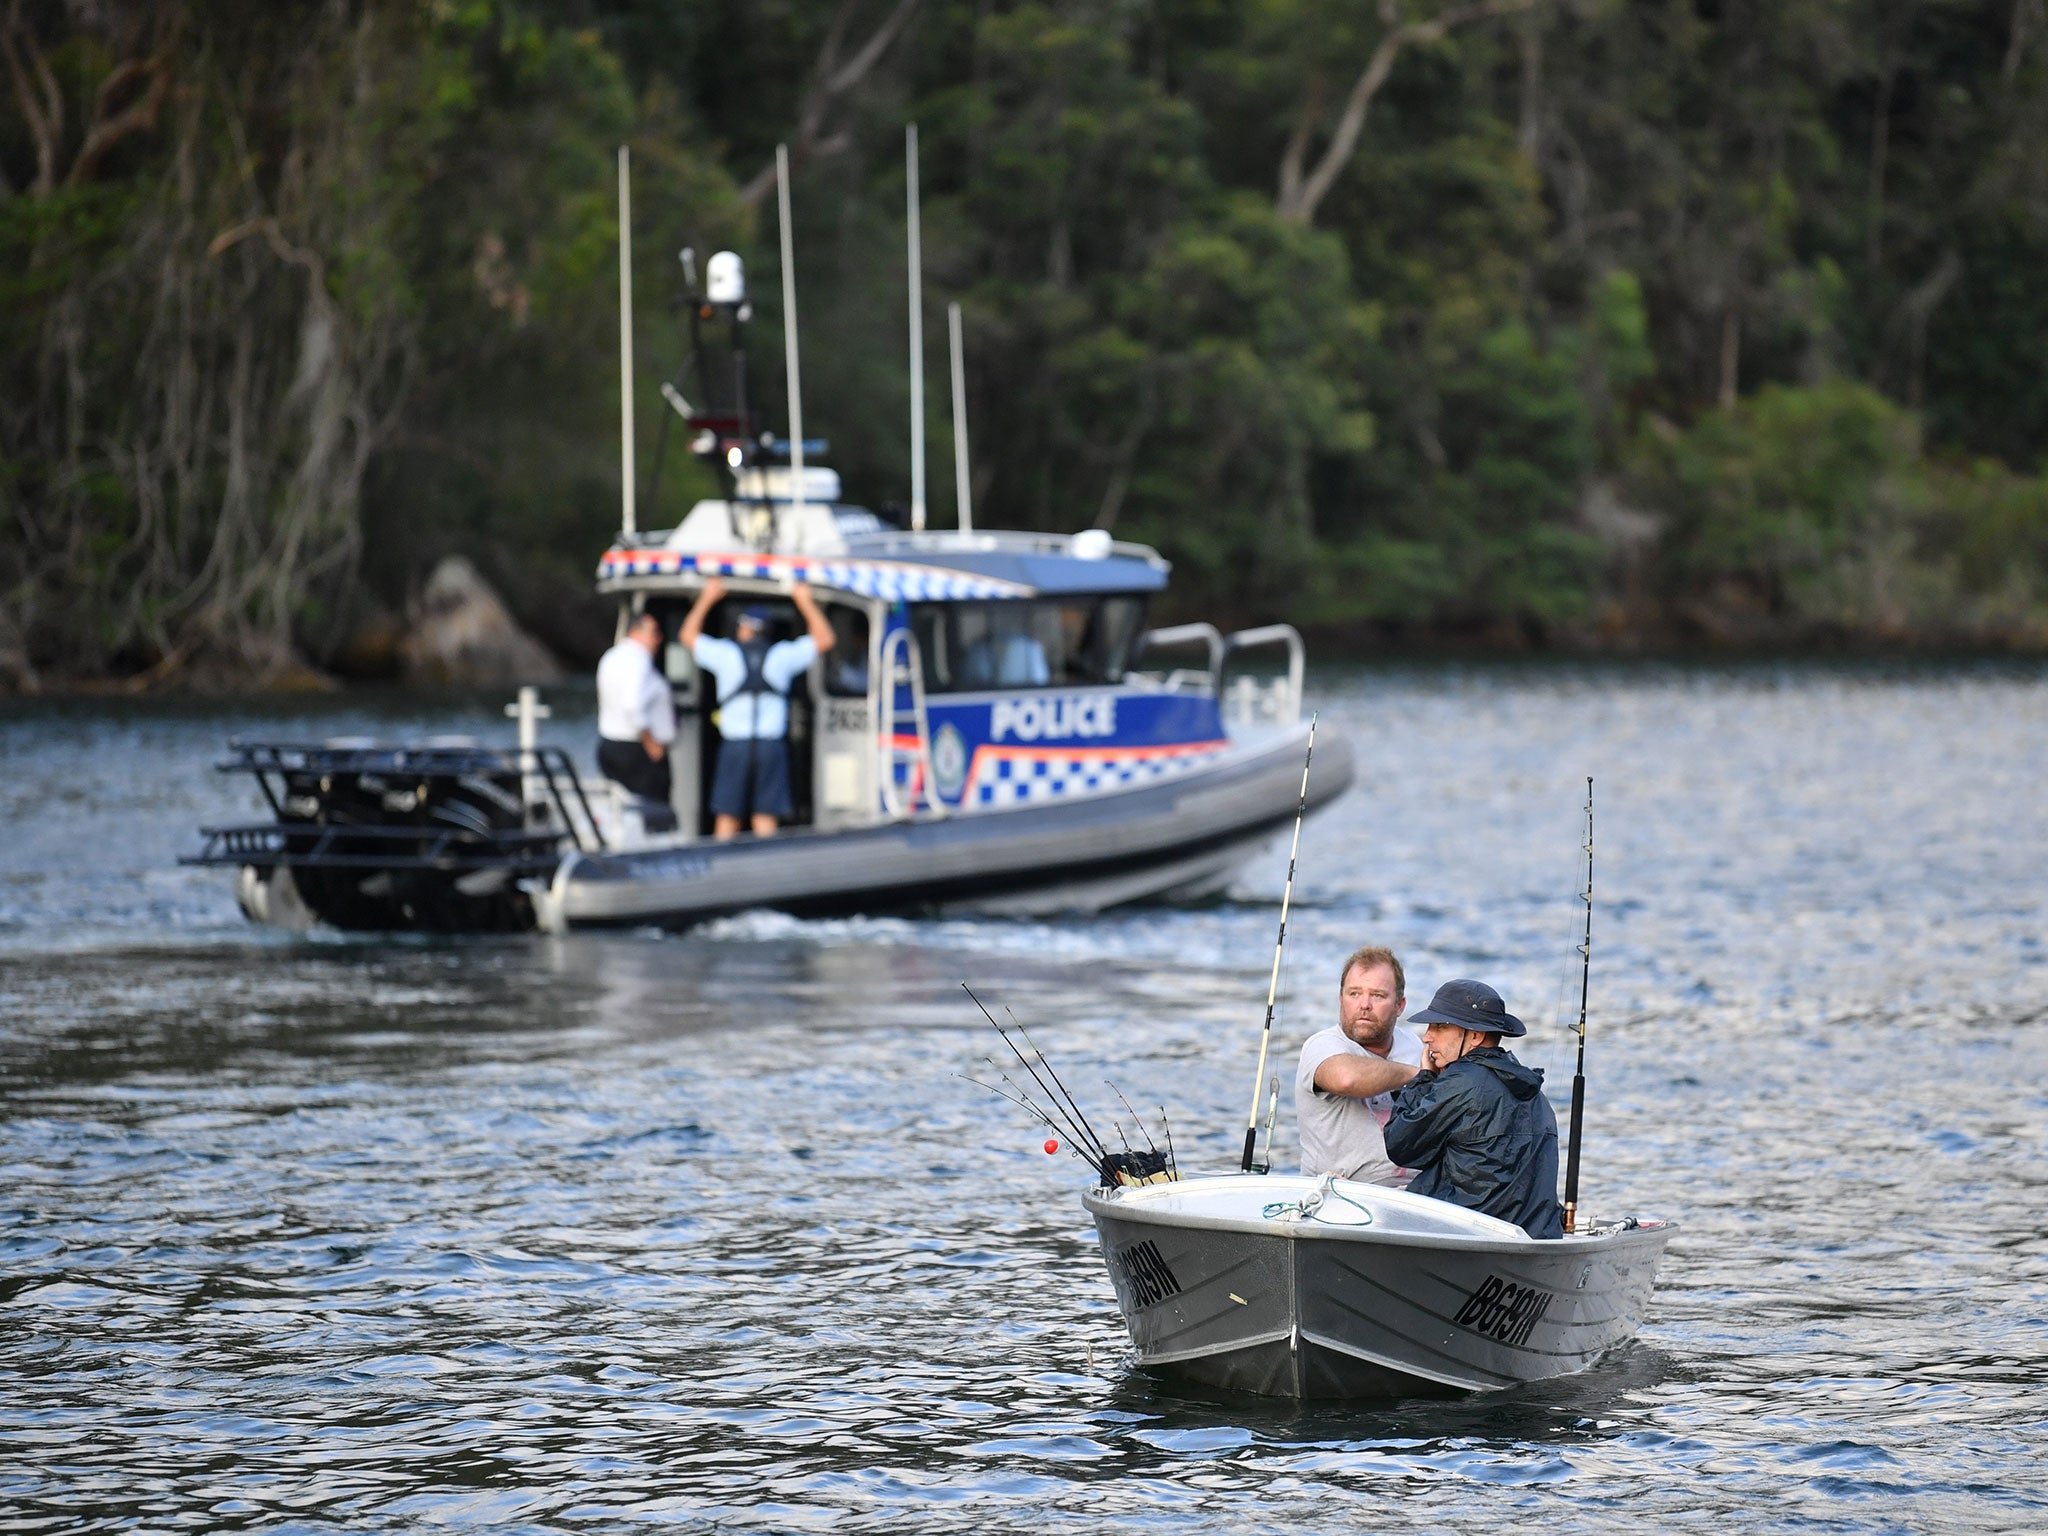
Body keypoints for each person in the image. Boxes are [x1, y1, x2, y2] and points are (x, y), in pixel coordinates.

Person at [1383, 979, 1564, 1239]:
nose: (1426, 1037)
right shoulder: (1533, 1091)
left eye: (1440, 1026)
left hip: (1471, 1239)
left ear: (1476, 1036)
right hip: (1532, 1239)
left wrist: (1424, 1078)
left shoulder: (1462, 1082)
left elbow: (1399, 1144)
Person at [680, 574, 834, 839]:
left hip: (735, 748)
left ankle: (722, 871)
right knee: (765, 816)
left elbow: (687, 635)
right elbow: (825, 639)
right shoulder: (782, 655)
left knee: (728, 817)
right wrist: (804, 601)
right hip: (770, 747)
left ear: (743, 629)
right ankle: (767, 869)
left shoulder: (726, 654)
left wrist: (707, 598)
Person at [1296, 945, 1425, 1184]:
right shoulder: (1322, 1045)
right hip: (1338, 1193)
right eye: (1354, 993)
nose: (1364, 1004)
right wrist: (1418, 1074)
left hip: (1413, 1193)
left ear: (1400, 1005)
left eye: (1377, 995)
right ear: (1340, 999)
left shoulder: (1413, 1045)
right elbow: (1347, 1079)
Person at [594, 608, 678, 831]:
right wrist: (651, 743)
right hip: (636, 751)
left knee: (622, 812)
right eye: (654, 633)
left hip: (609, 745)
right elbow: (633, 707)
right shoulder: (638, 662)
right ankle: (655, 859)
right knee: (652, 813)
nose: (659, 639)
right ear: (635, 632)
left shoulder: (610, 657)